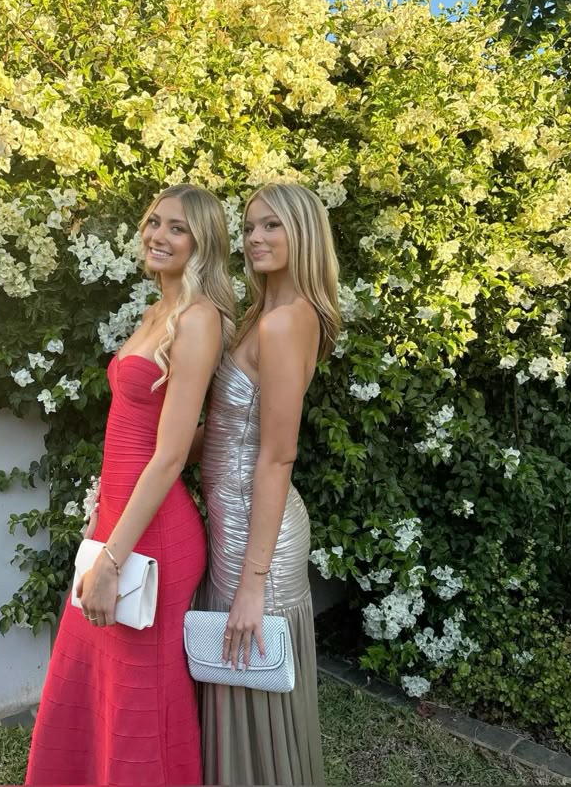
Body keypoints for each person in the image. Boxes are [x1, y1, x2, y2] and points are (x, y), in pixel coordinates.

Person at [25, 184, 235, 787]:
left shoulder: (198, 320)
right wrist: (102, 515)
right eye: (154, 221)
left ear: (203, 244)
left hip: (155, 537)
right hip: (119, 522)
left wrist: (112, 560)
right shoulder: (156, 312)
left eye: (178, 228)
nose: (158, 235)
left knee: (142, 701)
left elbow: (169, 456)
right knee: (89, 678)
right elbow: (132, 433)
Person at [194, 182, 341, 786]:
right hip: (231, 519)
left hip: (259, 536)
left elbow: (278, 457)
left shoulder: (285, 322)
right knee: (234, 676)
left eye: (271, 225)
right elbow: (226, 430)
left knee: (251, 678)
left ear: (302, 233)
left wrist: (252, 584)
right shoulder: (260, 315)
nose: (255, 237)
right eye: (250, 226)